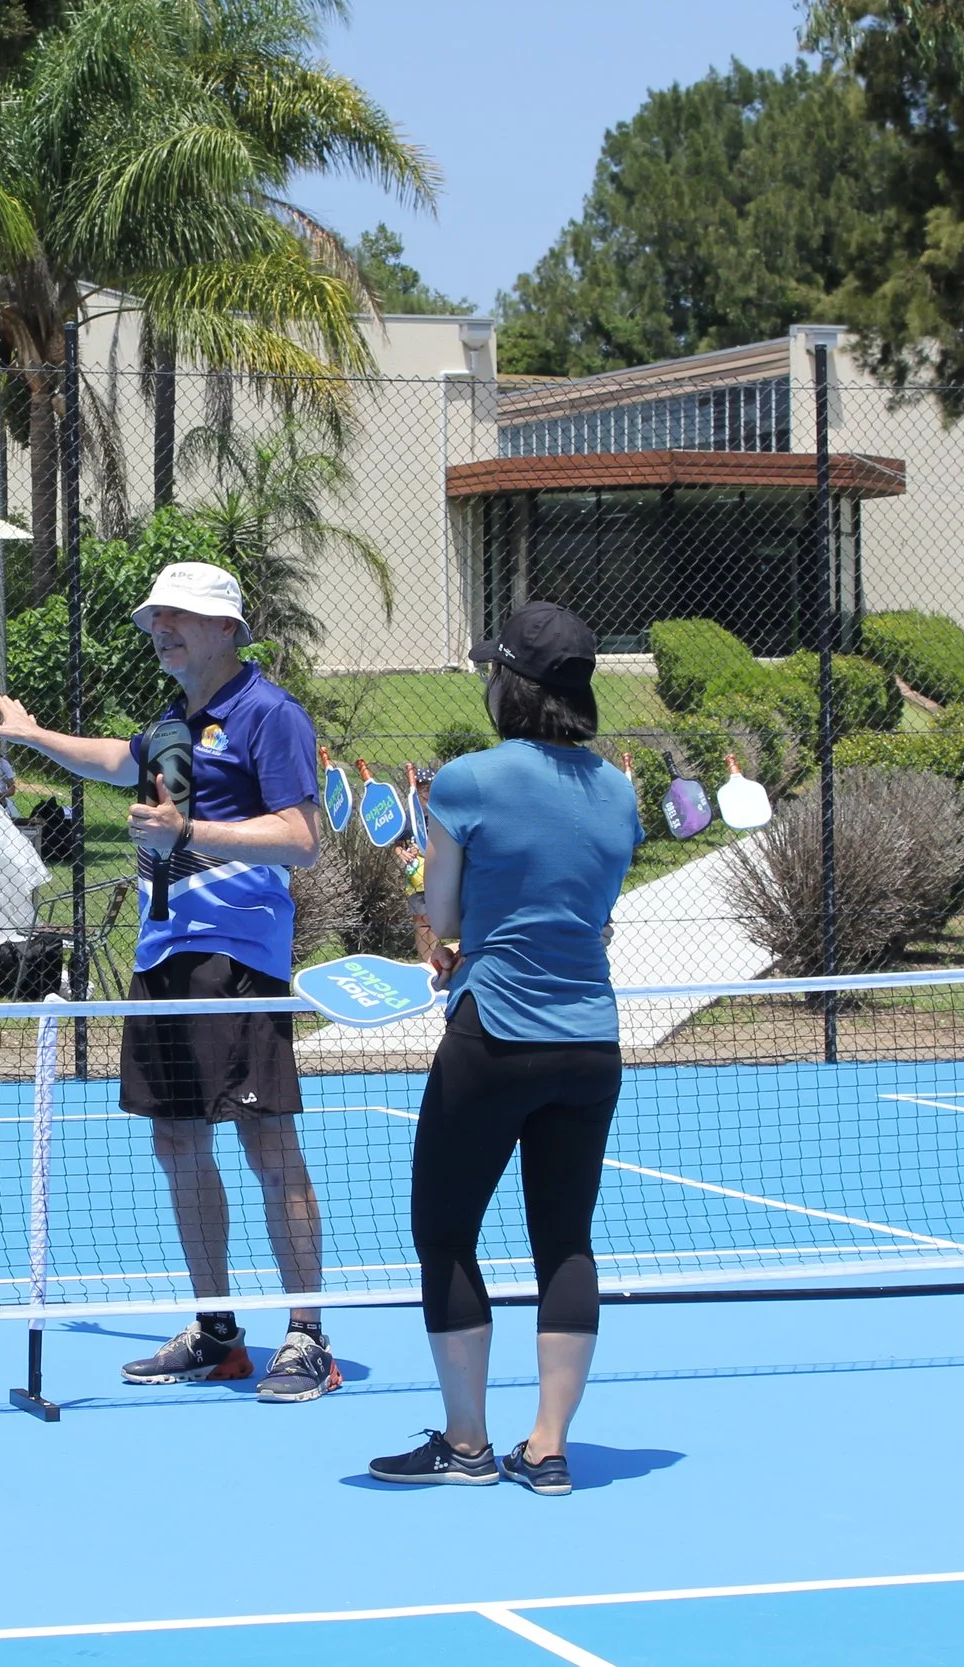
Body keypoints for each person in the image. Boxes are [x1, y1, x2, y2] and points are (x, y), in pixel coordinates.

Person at [0, 561, 337, 1402]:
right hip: (163, 959)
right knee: (177, 1142)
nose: (161, 629)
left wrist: (190, 829)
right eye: (155, 618)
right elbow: (116, 757)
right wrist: (32, 736)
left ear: (224, 627)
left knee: (264, 1142)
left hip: (238, 957)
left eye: (178, 616)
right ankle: (218, 1331)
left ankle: (309, 1334)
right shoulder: (176, 720)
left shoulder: (268, 715)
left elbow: (301, 837)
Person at [368, 602, 641, 1493]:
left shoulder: (466, 782)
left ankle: (469, 1443)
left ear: (511, 685)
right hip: (591, 1046)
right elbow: (590, 919)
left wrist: (433, 942)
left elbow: (443, 916)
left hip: (495, 1035)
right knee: (565, 1241)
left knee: (444, 1234)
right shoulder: (622, 792)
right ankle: (549, 1446)